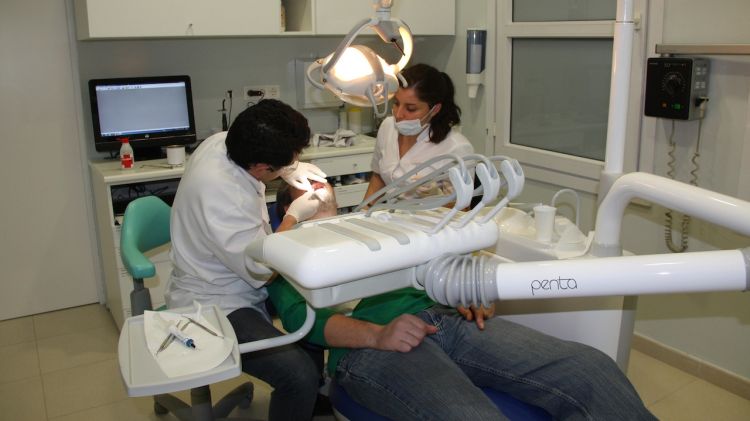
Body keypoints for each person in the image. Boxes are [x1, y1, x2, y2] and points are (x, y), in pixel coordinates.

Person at [265, 69, 656, 419]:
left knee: (589, 367)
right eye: (308, 191)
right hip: (373, 346)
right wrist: (377, 335)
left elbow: (443, 250)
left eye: (322, 185)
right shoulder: (293, 253)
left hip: (442, 318)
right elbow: (302, 320)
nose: (320, 189)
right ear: (290, 208)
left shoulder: (376, 226)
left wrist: (466, 286)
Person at [166, 99, 328, 421]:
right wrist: (294, 217)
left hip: (237, 277)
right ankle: (303, 391)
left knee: (315, 309)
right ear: (260, 167)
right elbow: (262, 270)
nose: (295, 163)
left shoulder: (223, 142)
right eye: (289, 160)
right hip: (216, 301)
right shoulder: (222, 193)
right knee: (297, 376)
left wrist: (291, 168)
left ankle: (308, 402)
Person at [364, 63, 474, 202]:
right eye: (397, 103)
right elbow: (378, 177)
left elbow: (463, 208)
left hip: (432, 222)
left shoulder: (456, 148)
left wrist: (436, 197)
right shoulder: (388, 127)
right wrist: (363, 212)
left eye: (410, 109)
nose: (398, 114)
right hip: (390, 217)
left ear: (435, 109)